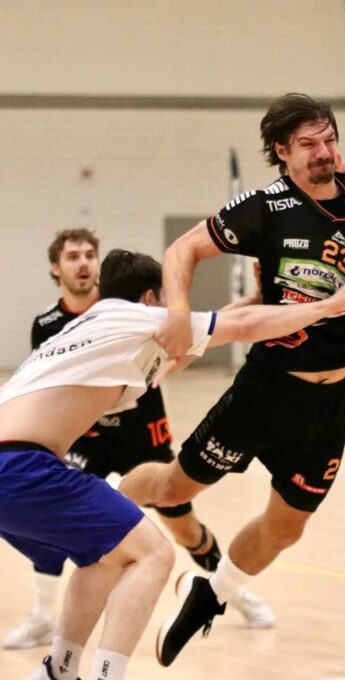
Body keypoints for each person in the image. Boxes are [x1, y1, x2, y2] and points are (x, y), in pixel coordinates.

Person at [117, 89, 345, 666]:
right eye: (308, 144)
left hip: (336, 399)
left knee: (286, 528)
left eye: (329, 139)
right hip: (270, 387)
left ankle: (209, 594)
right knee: (175, 488)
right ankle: (102, 501)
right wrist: (177, 312)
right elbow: (182, 250)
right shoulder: (265, 207)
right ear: (282, 151)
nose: (323, 151)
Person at [0, 249, 345, 680]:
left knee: (102, 556)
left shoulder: (93, 328)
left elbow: (187, 346)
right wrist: (330, 305)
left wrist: (252, 299)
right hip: (22, 466)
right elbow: (241, 329)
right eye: (169, 300)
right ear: (151, 298)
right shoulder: (142, 318)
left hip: (14, 465)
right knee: (154, 555)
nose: (175, 311)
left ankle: (58, 672)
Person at [4, 230, 273, 652]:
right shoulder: (49, 324)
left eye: (89, 255)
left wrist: (250, 303)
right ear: (56, 268)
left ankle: (228, 594)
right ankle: (44, 618)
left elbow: (191, 335)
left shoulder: (130, 310)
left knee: (183, 527)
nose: (83, 263)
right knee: (60, 533)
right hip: (86, 439)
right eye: (73, 256)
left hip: (141, 433)